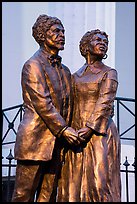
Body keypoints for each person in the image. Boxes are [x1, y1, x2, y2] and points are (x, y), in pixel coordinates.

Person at [11, 14, 80, 202]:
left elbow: (71, 103)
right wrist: (65, 130)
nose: (62, 35)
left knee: (48, 196)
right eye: (56, 31)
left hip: (58, 144)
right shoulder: (33, 65)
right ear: (42, 35)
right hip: (35, 141)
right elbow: (43, 103)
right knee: (23, 196)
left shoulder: (65, 71)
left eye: (63, 31)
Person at [56, 29, 121, 202]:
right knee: (73, 183)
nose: (103, 43)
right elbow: (68, 104)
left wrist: (90, 128)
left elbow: (105, 102)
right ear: (86, 46)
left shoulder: (109, 73)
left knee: (99, 183)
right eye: (98, 40)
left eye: (105, 42)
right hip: (76, 135)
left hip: (100, 133)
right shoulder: (74, 76)